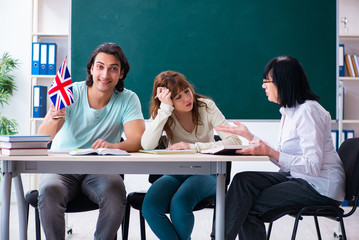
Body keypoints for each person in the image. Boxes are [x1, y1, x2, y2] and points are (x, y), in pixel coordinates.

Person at [213, 56, 345, 240]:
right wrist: (250, 136)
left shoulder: (308, 112)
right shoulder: (289, 112)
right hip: (300, 177)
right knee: (243, 180)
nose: (263, 86)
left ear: (283, 82)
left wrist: (270, 152)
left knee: (246, 207)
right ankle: (218, 237)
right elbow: (284, 155)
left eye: (267, 81)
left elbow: (312, 166)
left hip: (320, 187)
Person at [37, 42, 145, 240]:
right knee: (49, 190)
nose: (105, 75)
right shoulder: (71, 92)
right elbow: (44, 137)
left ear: (121, 74)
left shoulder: (128, 99)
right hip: (63, 168)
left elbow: (138, 140)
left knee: (115, 192)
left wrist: (114, 146)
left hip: (101, 168)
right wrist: (53, 117)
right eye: (100, 67)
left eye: (113, 69)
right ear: (91, 69)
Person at [141, 70, 242, 240]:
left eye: (186, 91)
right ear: (167, 100)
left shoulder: (206, 106)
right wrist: (165, 109)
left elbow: (234, 141)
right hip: (175, 172)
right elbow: (147, 145)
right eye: (178, 97)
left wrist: (194, 146)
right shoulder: (164, 112)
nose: (187, 99)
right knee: (150, 208)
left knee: (180, 204)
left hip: (207, 173)